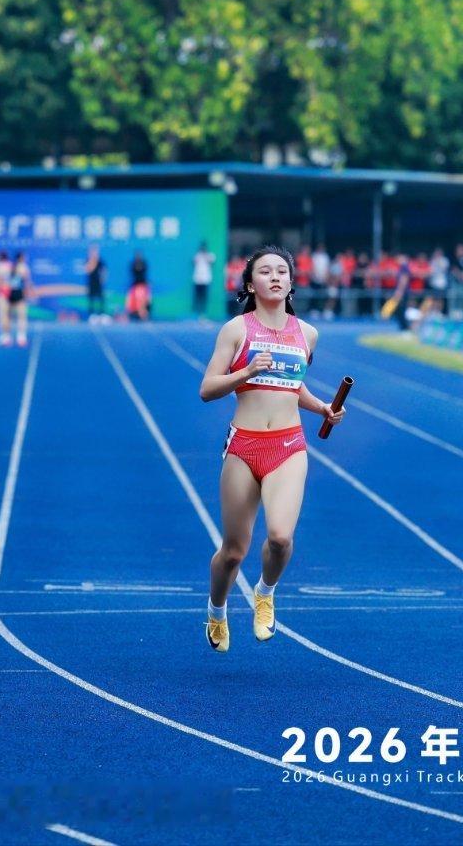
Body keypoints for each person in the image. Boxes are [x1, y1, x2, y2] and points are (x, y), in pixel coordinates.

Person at [198, 246, 343, 652]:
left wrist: (323, 408)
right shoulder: (235, 330)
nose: (275, 276)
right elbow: (207, 389)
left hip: (288, 445)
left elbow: (291, 385)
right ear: (250, 284)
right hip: (244, 444)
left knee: (280, 538)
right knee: (233, 550)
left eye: (283, 270)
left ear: (292, 283)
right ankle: (217, 610)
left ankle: (265, 593)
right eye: (265, 271)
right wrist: (246, 370)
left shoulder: (307, 334)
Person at [2, 251, 32, 348]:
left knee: (8, 316)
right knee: (22, 317)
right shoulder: (23, 267)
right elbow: (27, 282)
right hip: (18, 293)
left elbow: (5, 282)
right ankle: (21, 338)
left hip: (10, 293)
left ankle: (7, 337)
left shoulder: (9, 267)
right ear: (21, 258)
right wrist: (29, 293)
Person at [192, 241, 215, 319]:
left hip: (206, 279)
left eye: (204, 247)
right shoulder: (198, 255)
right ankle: (197, 314)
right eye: (202, 247)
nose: (203, 249)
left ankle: (203, 314)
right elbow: (193, 261)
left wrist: (205, 254)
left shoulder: (210, 255)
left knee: (204, 297)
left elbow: (212, 262)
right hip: (197, 279)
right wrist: (201, 254)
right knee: (197, 297)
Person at [84, 245, 107, 323]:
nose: (94, 254)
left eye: (96, 252)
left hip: (99, 283)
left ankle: (101, 315)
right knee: (91, 299)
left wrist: (103, 279)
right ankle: (92, 315)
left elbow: (104, 271)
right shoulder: (88, 260)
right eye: (92, 252)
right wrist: (93, 261)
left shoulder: (100, 261)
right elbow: (88, 270)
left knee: (101, 299)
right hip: (91, 283)